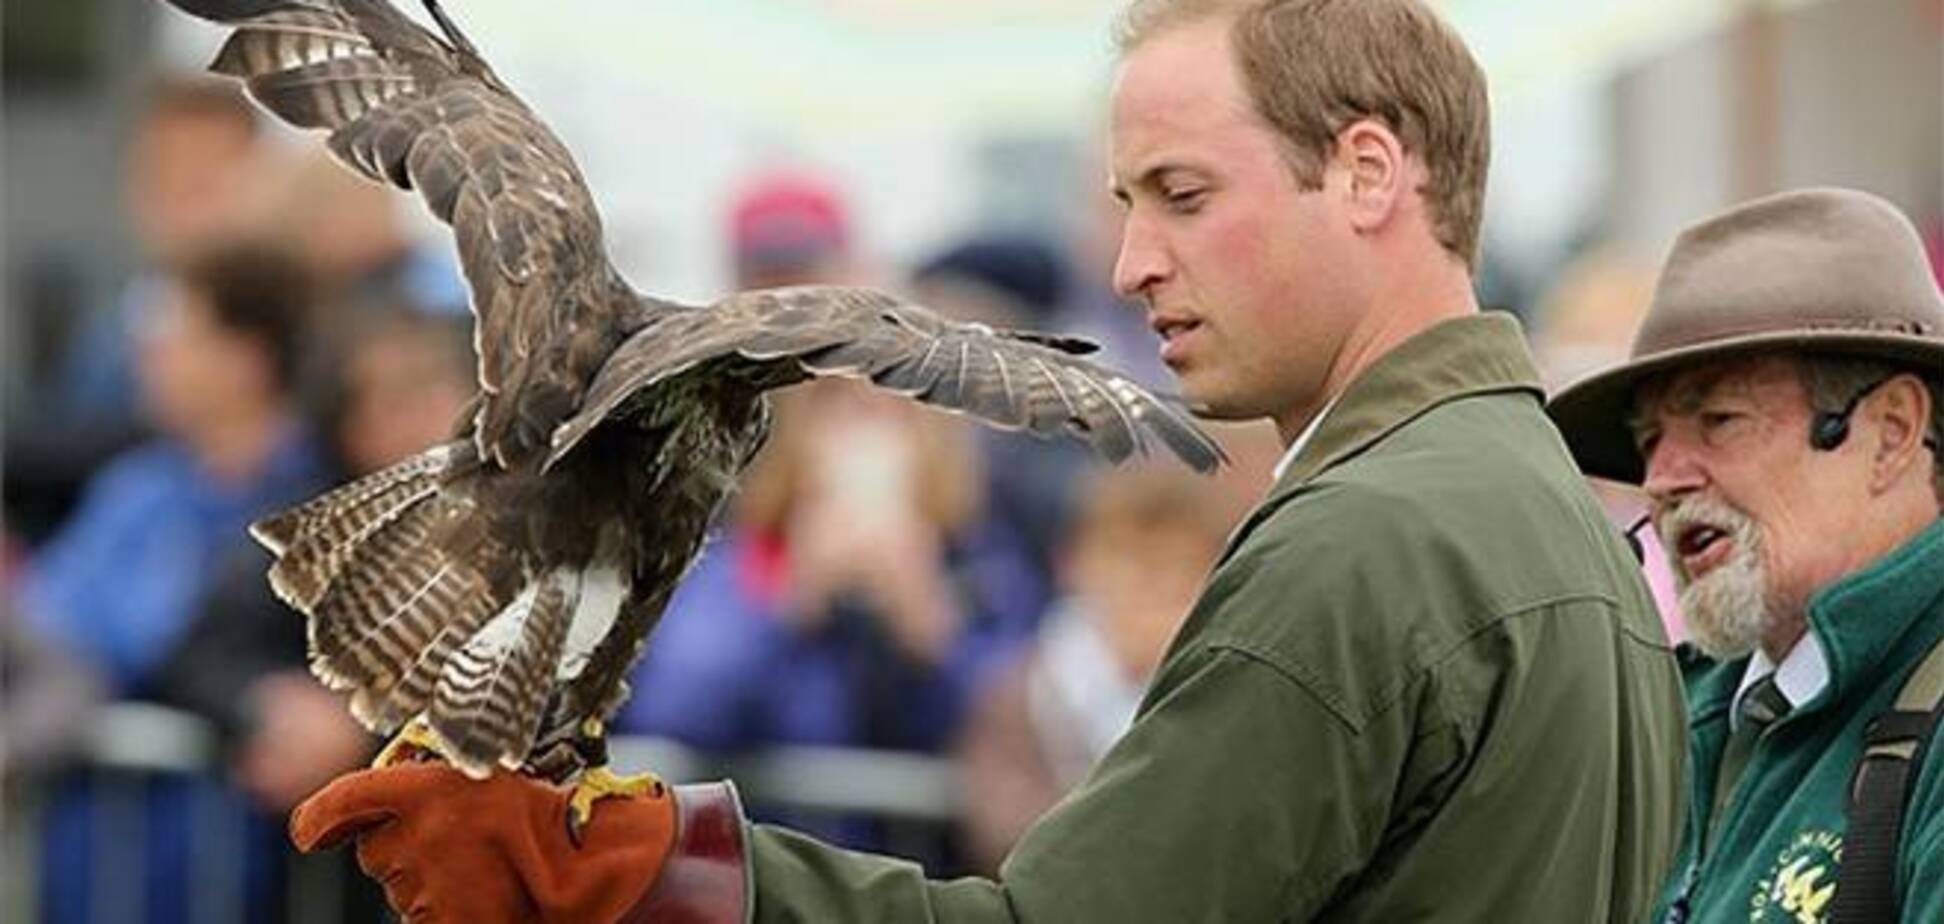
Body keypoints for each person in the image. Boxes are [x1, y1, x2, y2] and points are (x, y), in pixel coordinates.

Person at [288, 1, 1685, 920]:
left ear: (1371, 173)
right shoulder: (1559, 522)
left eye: (1184, 196)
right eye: (1124, 205)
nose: (1133, 263)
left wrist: (647, 876)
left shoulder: (1371, 542)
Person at [1547, 187, 1944, 923]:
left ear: (1891, 432)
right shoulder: (1685, 719)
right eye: (1647, 441)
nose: (1660, 480)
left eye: (1719, 419)